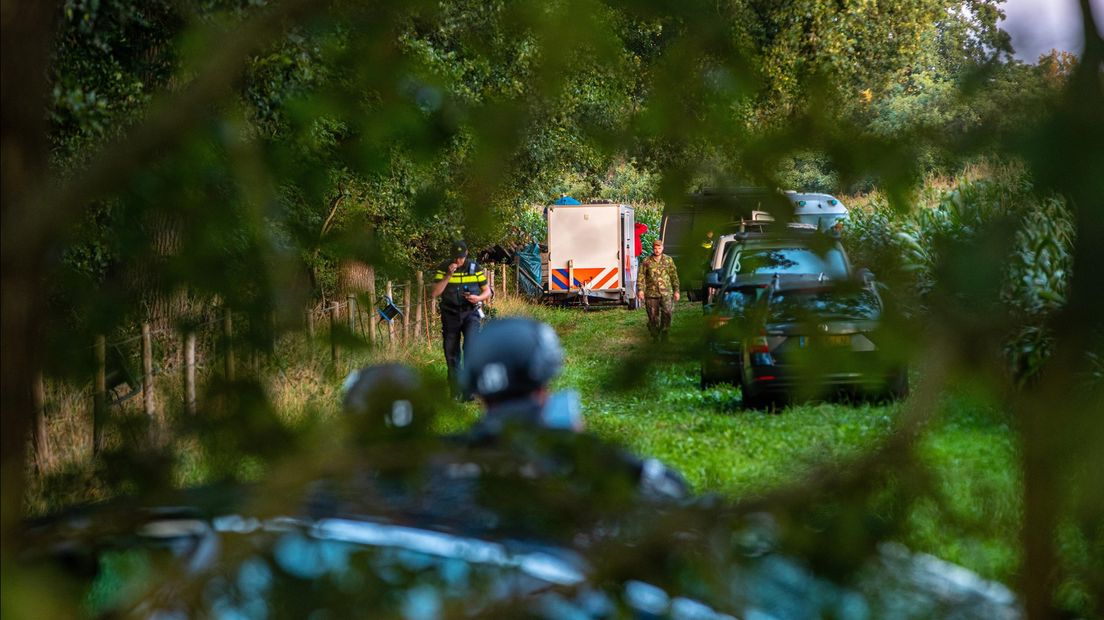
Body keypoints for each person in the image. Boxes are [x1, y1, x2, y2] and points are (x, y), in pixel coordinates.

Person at [459, 317, 688, 500]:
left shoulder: (441, 461)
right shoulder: (589, 462)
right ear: (543, 378)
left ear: (478, 392)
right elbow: (672, 489)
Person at [430, 240, 491, 394]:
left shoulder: (475, 268)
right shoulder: (443, 268)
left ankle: (470, 390)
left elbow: (487, 291)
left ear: (466, 254)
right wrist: (448, 275)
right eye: (456, 257)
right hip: (450, 314)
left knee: (471, 348)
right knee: (451, 352)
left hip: (471, 313)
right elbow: (434, 293)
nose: (459, 261)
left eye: (461, 257)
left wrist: (478, 298)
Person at [637, 239, 680, 342]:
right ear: (653, 249)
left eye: (659, 248)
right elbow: (641, 276)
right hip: (651, 293)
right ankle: (655, 335)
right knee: (653, 317)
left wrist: (676, 290)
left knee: (667, 313)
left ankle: (665, 333)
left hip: (666, 292)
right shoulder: (646, 261)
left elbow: (674, 276)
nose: (657, 250)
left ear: (662, 248)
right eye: (655, 248)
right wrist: (640, 290)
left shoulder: (668, 260)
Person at [629, 221, 649, 309]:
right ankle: (635, 297)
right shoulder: (634, 231)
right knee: (634, 278)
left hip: (631, 257)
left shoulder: (629, 232)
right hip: (633, 257)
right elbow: (645, 227)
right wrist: (634, 223)